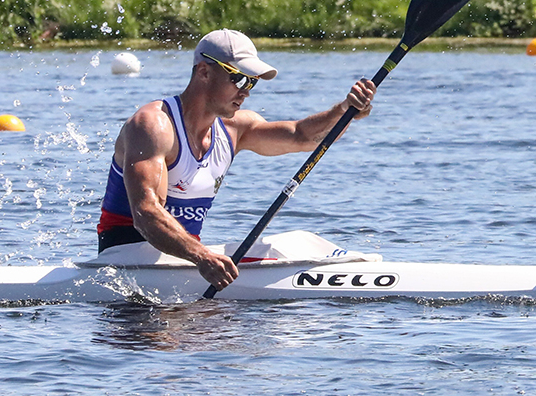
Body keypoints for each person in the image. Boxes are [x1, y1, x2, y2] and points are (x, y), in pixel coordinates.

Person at [97, 28, 376, 291]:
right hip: (126, 259)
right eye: (238, 78)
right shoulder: (153, 126)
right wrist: (202, 256)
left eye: (251, 81)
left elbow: (302, 136)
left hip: (186, 260)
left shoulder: (234, 129)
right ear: (204, 71)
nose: (246, 91)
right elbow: (147, 214)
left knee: (299, 242)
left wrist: (344, 110)